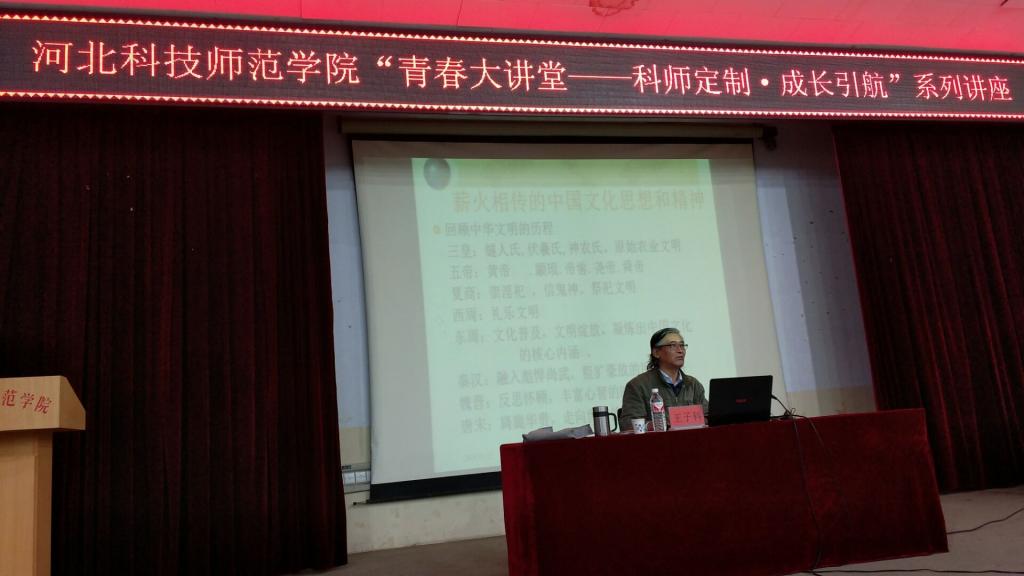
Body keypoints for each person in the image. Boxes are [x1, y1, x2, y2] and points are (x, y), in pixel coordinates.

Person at [620, 327, 708, 428]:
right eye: (672, 345)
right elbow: (628, 424)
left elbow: (708, 415)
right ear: (656, 352)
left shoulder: (693, 384)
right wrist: (659, 425)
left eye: (682, 345)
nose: (680, 350)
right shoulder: (638, 385)